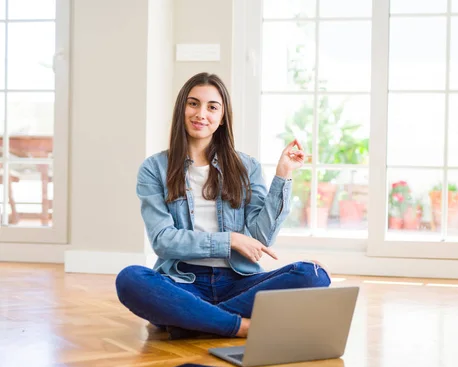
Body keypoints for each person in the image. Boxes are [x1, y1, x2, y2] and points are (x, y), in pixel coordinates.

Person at [115, 72, 331, 339]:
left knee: (314, 275)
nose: (201, 114)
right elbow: (163, 241)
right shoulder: (154, 168)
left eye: (212, 107)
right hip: (183, 282)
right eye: (193, 103)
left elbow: (262, 238)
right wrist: (229, 241)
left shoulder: (246, 167)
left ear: (222, 117)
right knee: (130, 279)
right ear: (182, 108)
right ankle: (238, 326)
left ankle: (192, 320)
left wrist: (283, 174)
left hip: (238, 281)